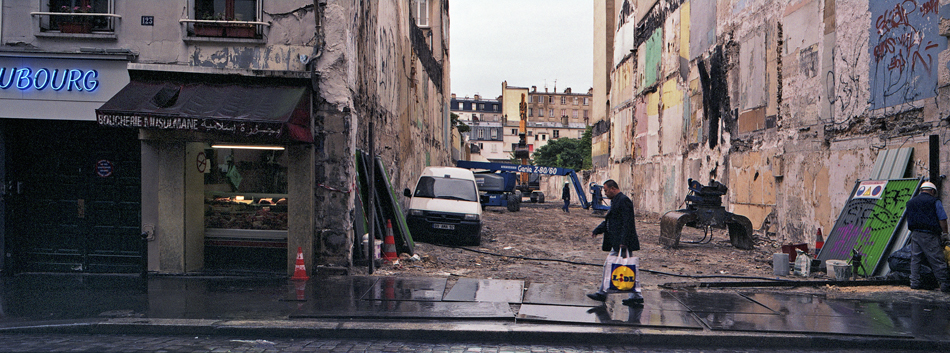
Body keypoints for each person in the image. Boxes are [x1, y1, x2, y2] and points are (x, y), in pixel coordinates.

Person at [587, 179, 643, 306]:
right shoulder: (616, 201)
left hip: (623, 242)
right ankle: (635, 296)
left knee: (625, 267)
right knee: (618, 266)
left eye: (606, 190)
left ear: (613, 188)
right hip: (617, 242)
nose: (605, 193)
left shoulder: (624, 200)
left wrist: (624, 242)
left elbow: (627, 223)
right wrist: (598, 230)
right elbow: (611, 220)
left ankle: (603, 294)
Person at [905, 181, 950, 292]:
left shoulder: (911, 202)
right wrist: (945, 234)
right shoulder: (934, 201)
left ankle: (914, 282)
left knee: (915, 259)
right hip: (930, 234)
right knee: (937, 259)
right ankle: (945, 284)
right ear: (932, 191)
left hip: (915, 234)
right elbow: (942, 218)